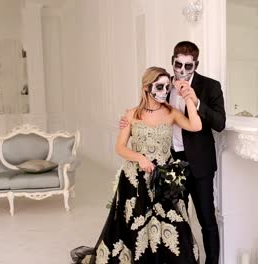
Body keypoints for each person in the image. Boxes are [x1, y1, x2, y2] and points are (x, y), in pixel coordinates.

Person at [71, 66, 202, 264]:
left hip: (165, 178)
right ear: (146, 87)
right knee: (136, 225)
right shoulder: (131, 114)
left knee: (173, 223)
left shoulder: (172, 113)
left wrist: (188, 99)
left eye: (167, 87)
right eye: (159, 86)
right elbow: (120, 147)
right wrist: (140, 158)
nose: (164, 91)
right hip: (136, 178)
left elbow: (196, 126)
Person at [120, 41, 226, 264]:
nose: (183, 71)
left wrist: (194, 100)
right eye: (179, 65)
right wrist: (130, 122)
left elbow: (219, 123)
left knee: (206, 218)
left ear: (196, 65)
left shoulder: (211, 86)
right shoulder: (164, 85)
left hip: (199, 163)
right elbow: (150, 108)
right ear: (173, 62)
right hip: (167, 163)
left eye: (189, 66)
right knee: (174, 217)